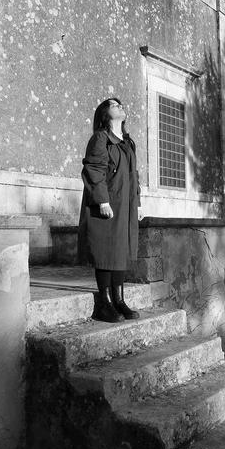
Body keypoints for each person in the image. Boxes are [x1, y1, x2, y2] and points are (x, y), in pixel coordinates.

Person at [77, 97, 144, 322]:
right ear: (105, 114)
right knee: (106, 250)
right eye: (114, 105)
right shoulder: (100, 138)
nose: (120, 106)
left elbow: (134, 176)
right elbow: (93, 169)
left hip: (126, 203)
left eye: (120, 104)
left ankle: (119, 300)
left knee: (121, 249)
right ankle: (104, 303)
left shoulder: (127, 142)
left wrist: (137, 203)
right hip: (108, 202)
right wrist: (102, 201)